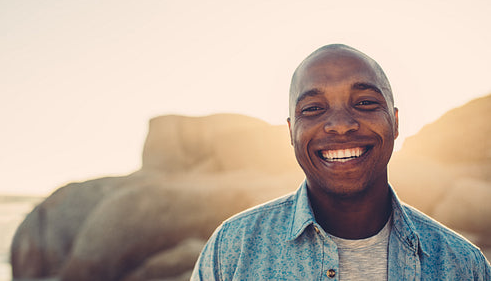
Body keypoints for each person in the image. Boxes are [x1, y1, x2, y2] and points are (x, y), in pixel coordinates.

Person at [191, 44, 491, 280]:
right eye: (313, 108)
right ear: (291, 132)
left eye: (364, 103)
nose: (340, 124)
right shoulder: (233, 249)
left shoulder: (463, 266)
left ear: (395, 122)